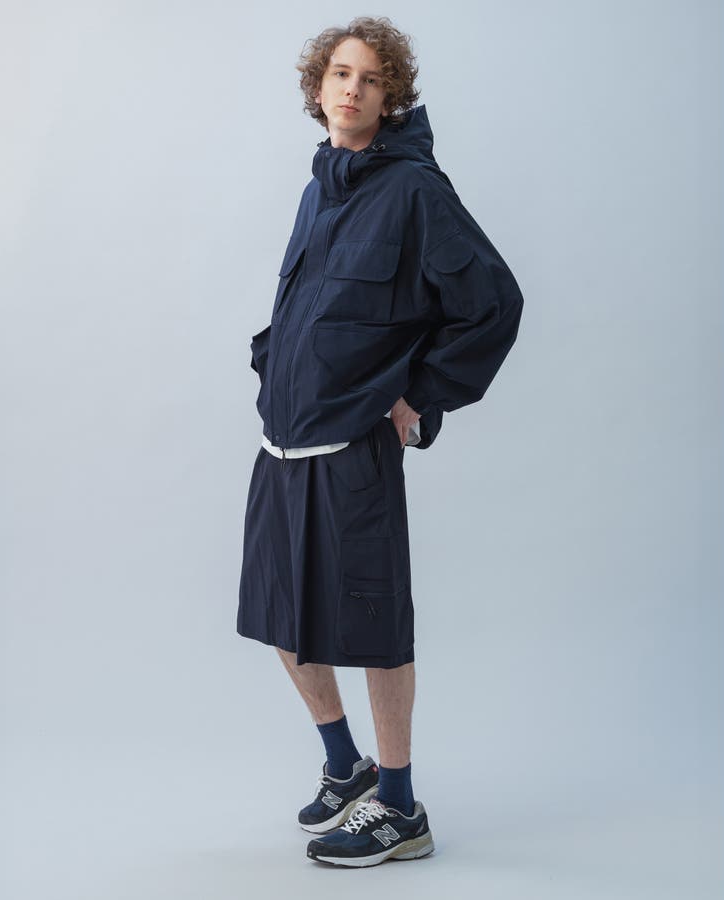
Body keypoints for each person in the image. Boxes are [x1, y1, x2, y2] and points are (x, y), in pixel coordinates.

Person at [237, 16, 524, 867]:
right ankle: (346, 767)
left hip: (352, 451)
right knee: (281, 617)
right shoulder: (319, 187)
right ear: (318, 87)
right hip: (283, 444)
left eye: (369, 78)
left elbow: (492, 303)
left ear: (390, 95)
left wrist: (419, 394)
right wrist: (274, 366)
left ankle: (399, 807)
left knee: (374, 626)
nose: (352, 88)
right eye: (339, 74)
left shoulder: (414, 191)